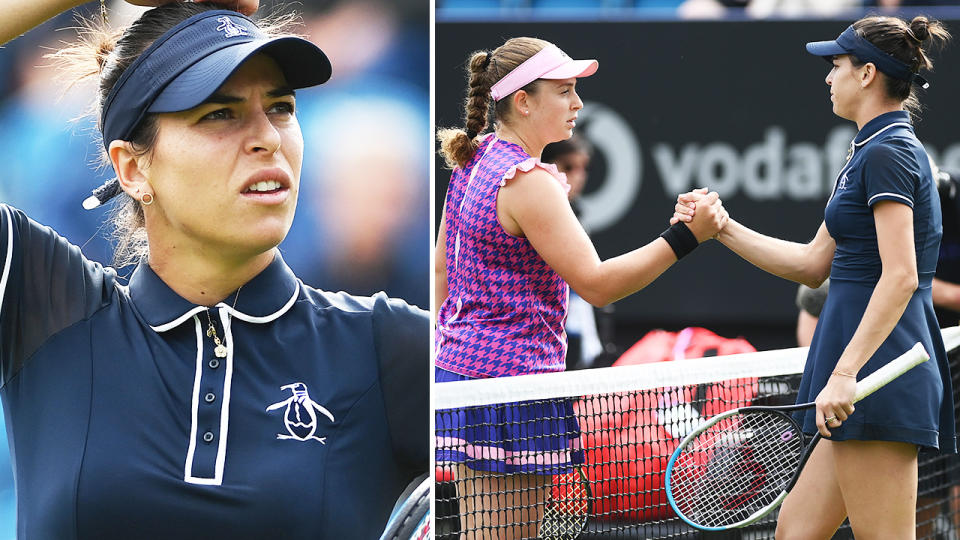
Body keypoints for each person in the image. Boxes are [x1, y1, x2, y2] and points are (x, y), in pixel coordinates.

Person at [0, 1, 428, 538]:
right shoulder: (46, 306)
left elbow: (539, 476)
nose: (267, 137)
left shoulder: (385, 345)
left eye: (280, 107)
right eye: (219, 113)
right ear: (132, 168)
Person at [435, 37, 727, 539]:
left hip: (464, 375)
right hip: (512, 388)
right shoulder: (528, 182)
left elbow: (441, 270)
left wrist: (452, 349)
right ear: (524, 100)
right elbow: (598, 284)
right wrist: (684, 238)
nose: (578, 104)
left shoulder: (475, 156)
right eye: (565, 91)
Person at [674, 15, 954, 538]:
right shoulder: (868, 150)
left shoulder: (889, 153)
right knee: (795, 533)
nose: (829, 77)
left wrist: (846, 374)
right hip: (851, 377)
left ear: (867, 74)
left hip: (875, 374)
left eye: (837, 65)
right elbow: (811, 264)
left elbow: (900, 277)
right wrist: (722, 229)